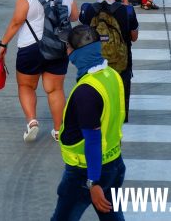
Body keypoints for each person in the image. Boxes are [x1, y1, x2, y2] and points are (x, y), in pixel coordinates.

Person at [0, 0, 80, 142]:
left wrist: (3, 43)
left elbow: (17, 21)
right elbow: (75, 16)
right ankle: (59, 130)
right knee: (55, 89)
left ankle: (32, 122)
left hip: (30, 48)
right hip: (58, 47)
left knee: (26, 86)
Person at [50, 25, 127, 221]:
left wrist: (93, 183)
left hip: (84, 172)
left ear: (80, 52)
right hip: (114, 163)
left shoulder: (86, 91)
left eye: (68, 47)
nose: (67, 52)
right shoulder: (111, 75)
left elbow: (92, 140)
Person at [79, 0, 138, 121]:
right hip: (120, 68)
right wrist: (127, 7)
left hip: (93, 68)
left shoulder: (87, 10)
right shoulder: (127, 11)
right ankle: (114, 143)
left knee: (94, 113)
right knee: (116, 114)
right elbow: (134, 36)